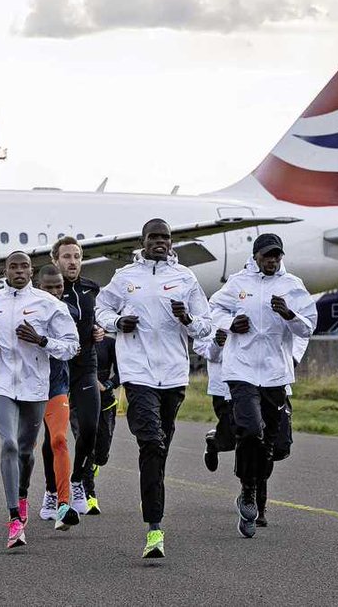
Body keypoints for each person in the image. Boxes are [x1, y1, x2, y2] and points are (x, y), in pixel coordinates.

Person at [95, 219, 213, 559]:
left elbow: (206, 326)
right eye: (153, 237)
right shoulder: (125, 277)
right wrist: (117, 323)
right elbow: (102, 309)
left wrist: (188, 320)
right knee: (151, 441)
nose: (160, 242)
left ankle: (155, 521)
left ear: (171, 242)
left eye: (165, 237)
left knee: (157, 451)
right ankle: (154, 529)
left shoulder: (185, 279)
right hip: (137, 373)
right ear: (143, 241)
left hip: (174, 376)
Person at [209, 232, 316, 539]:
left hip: (275, 374)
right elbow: (214, 309)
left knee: (269, 443)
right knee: (250, 429)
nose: (272, 261)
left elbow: (308, 327)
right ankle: (246, 491)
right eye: (266, 256)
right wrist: (229, 324)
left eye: (276, 256)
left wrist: (288, 313)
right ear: (255, 257)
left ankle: (254, 490)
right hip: (240, 370)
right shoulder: (239, 283)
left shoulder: (292, 286)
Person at [0, 251, 79, 548]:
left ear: (31, 271)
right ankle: (14, 519)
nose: (18, 271)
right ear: (5, 270)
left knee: (24, 451)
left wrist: (42, 341)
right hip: (2, 383)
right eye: (13, 266)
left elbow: (72, 346)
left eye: (24, 266)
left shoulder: (48, 304)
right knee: (8, 443)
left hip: (35, 386)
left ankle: (22, 495)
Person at [50, 236, 104, 514]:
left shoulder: (91, 289)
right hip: (57, 368)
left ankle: (78, 481)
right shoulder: (48, 290)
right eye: (67, 257)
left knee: (90, 428)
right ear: (55, 260)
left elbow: (99, 318)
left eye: (77, 256)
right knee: (55, 436)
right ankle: (52, 491)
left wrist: (99, 329)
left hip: (85, 366)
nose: (72, 262)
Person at [35, 264, 82, 530]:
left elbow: (71, 343)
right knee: (19, 448)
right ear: (37, 286)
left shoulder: (66, 311)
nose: (54, 293)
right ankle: (22, 504)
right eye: (48, 287)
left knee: (59, 439)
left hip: (56, 386)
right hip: (26, 388)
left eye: (59, 288)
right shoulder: (23, 308)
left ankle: (63, 505)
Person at [193, 328, 235, 473]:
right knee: (235, 431)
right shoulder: (212, 314)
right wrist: (217, 344)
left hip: (255, 382)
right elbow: (200, 347)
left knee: (251, 431)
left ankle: (216, 439)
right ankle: (215, 442)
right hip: (223, 385)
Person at [90, 335, 119, 496]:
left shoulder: (109, 343)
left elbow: (122, 372)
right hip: (82, 399)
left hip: (106, 401)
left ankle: (96, 462)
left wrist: (108, 385)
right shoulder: (77, 340)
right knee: (86, 444)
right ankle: (88, 493)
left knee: (102, 454)